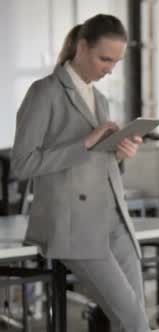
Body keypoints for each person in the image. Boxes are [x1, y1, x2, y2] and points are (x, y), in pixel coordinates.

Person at [11, 14, 149, 332]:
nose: (110, 69)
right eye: (104, 59)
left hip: (115, 219)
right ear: (82, 47)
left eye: (116, 61)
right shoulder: (44, 92)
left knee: (134, 317)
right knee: (134, 321)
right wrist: (85, 142)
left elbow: (99, 164)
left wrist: (119, 154)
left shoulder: (99, 98)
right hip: (75, 226)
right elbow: (22, 164)